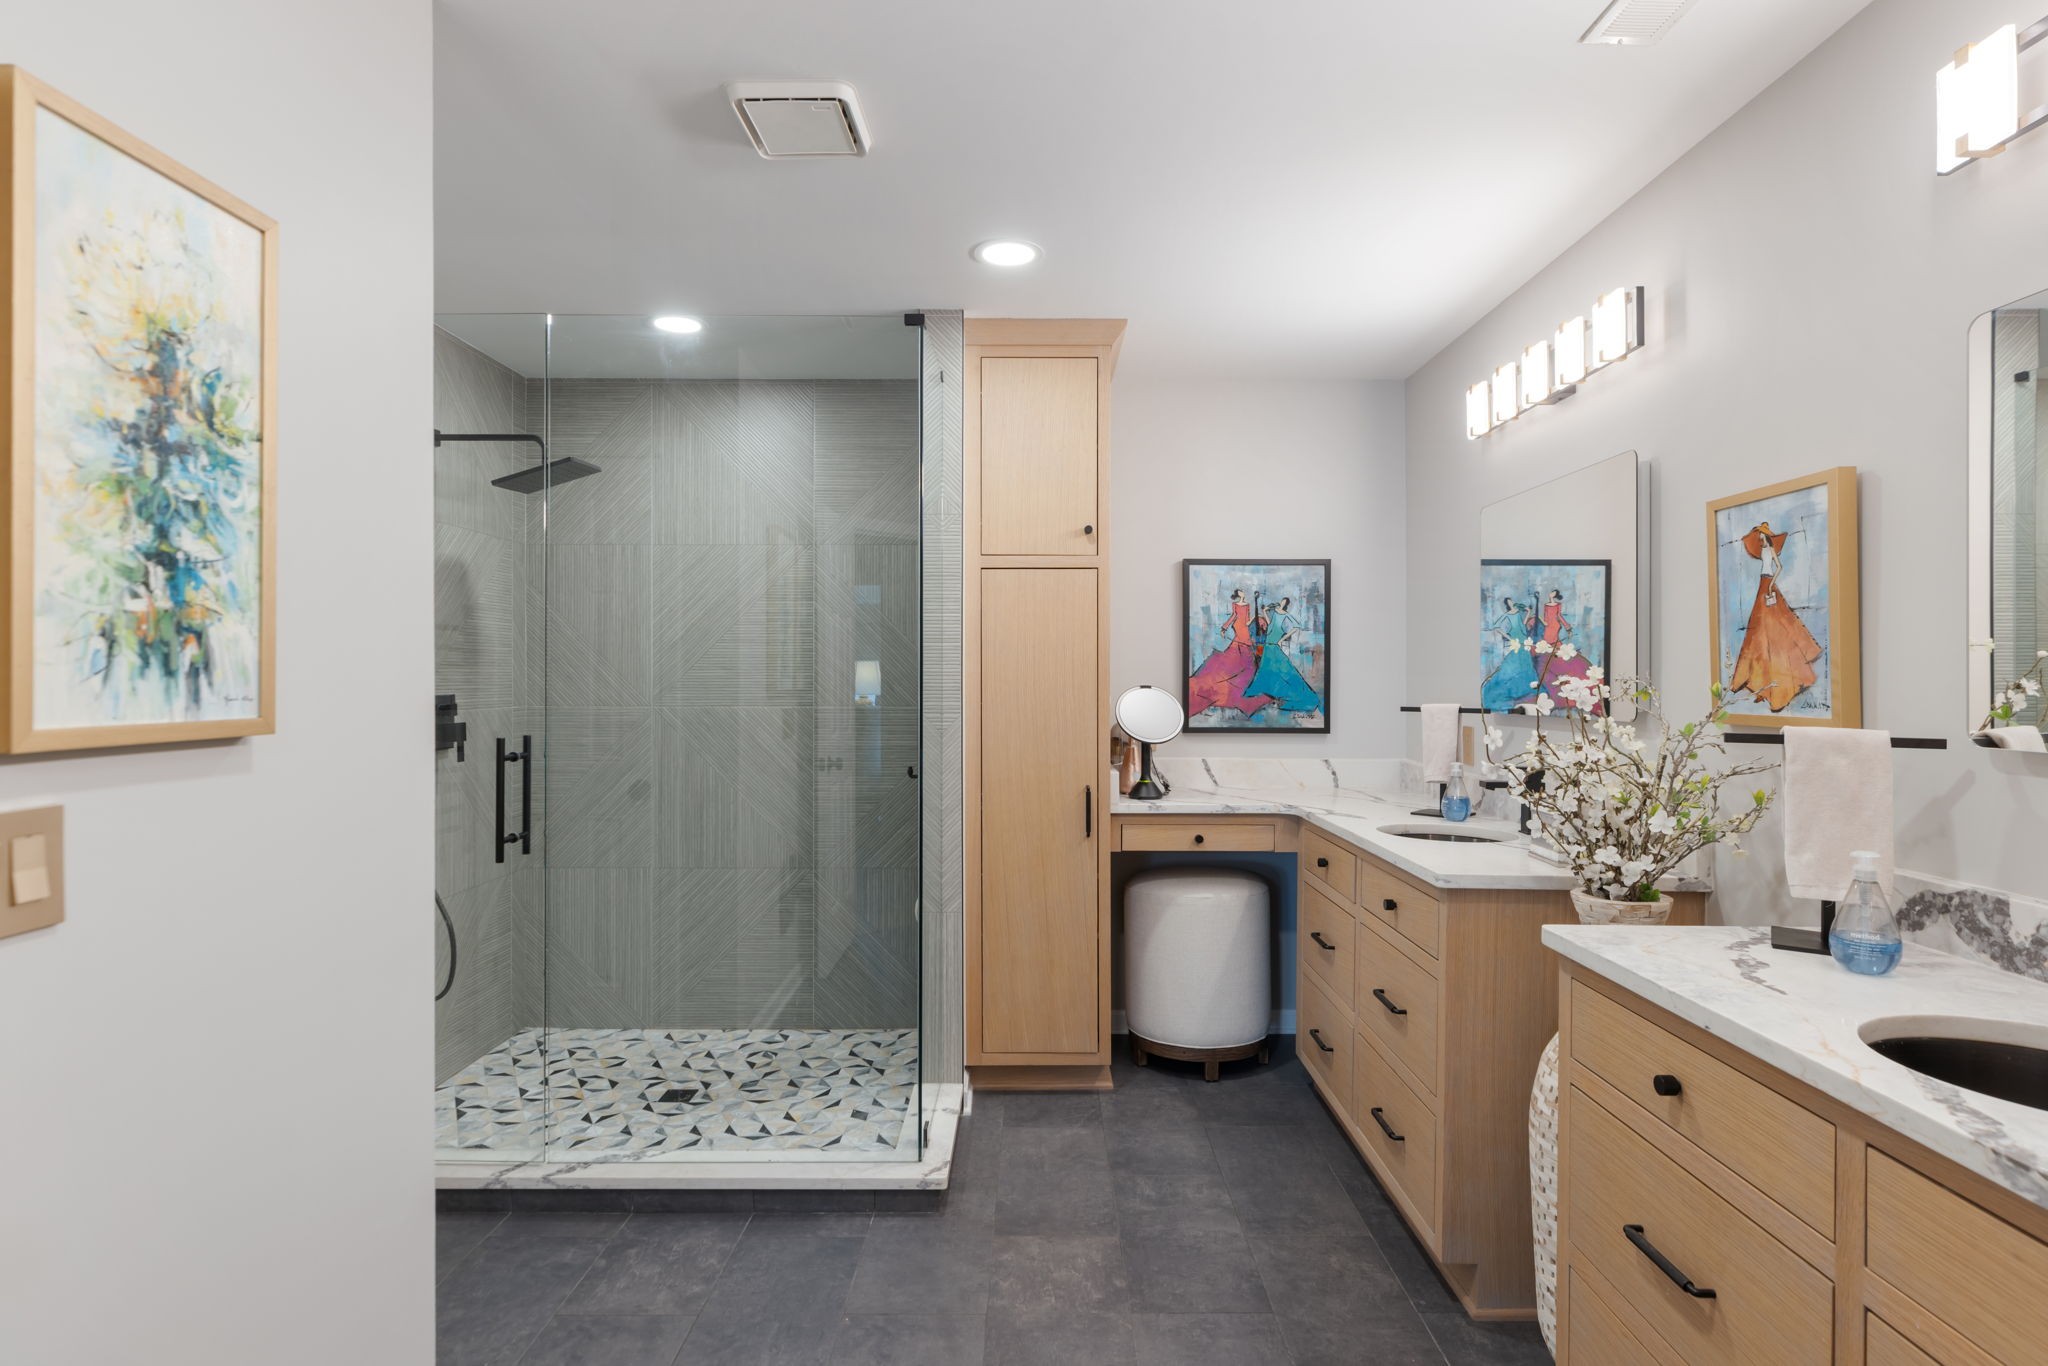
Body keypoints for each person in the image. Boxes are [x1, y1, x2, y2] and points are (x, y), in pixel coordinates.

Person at [1729, 520, 1821, 711]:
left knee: (1773, 623)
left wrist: (1771, 585)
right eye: (1760, 537)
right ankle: (1761, 680)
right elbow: (1751, 542)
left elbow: (1778, 567)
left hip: (1767, 584)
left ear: (1767, 537)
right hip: (1762, 583)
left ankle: (1778, 676)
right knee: (1759, 625)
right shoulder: (1763, 550)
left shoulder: (1770, 551)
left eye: (1762, 537)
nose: (1761, 540)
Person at [1186, 588, 1270, 716]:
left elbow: (1247, 621)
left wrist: (1255, 617)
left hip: (1244, 628)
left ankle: (1245, 675)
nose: (1243, 592)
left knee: (1245, 653)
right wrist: (1224, 627)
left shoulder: (1247, 605)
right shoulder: (1236, 605)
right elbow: (1234, 616)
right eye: (1241, 591)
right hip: (1239, 627)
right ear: (1239, 594)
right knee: (1241, 651)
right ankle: (1241, 675)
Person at [1242, 596, 1323, 714]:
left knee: (1283, 666)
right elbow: (1270, 624)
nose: (1282, 603)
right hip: (1269, 639)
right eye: (1282, 601)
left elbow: (1296, 626)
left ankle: (1291, 690)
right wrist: (1265, 611)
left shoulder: (1285, 614)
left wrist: (1283, 638)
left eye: (1284, 603)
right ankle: (1270, 689)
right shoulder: (1275, 612)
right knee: (1267, 667)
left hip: (1275, 639)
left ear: (1286, 604)